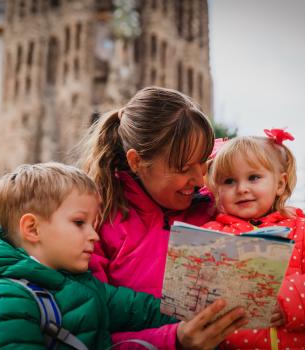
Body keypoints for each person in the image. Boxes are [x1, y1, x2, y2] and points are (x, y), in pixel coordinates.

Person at [0, 162, 247, 350]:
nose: (94, 235)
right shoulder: (6, 297)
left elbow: (144, 310)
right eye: (80, 223)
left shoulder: (84, 284)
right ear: (32, 228)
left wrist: (204, 315)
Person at [78, 86, 248, 347]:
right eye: (182, 168)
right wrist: (173, 341)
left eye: (203, 162)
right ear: (136, 162)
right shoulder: (96, 222)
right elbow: (89, 333)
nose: (200, 179)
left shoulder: (219, 204)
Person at [203, 129, 305, 349]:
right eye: (229, 181)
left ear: (279, 184)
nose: (242, 189)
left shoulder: (301, 229)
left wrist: (291, 299)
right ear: (217, 190)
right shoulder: (210, 235)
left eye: (254, 177)